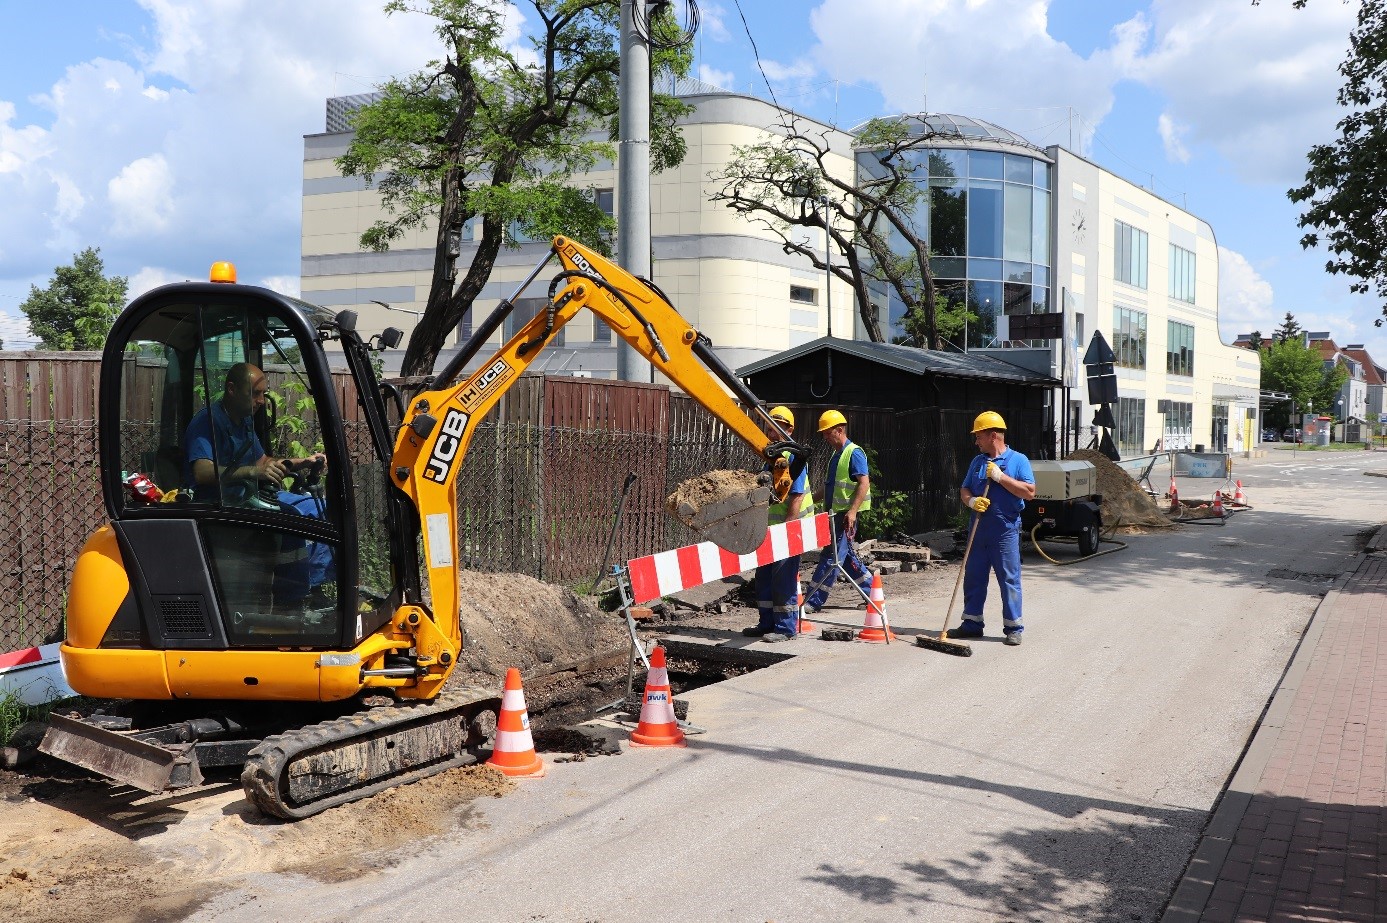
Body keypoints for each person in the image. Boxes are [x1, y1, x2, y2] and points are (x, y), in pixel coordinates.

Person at [183, 362, 320, 504]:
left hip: (244, 502)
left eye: (263, 394)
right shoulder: (207, 421)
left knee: (312, 506)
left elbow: (263, 462)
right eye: (255, 393)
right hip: (216, 509)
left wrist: (304, 462)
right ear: (231, 389)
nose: (261, 401)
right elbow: (202, 472)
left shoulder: (245, 421)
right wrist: (253, 471)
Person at [956, 411, 1035, 646]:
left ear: (993, 436)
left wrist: (1001, 477)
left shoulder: (1018, 461)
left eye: (978, 436)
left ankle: (1013, 627)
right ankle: (972, 623)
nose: (976, 441)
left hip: (1005, 531)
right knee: (974, 578)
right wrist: (971, 501)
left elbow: (1030, 493)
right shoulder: (977, 462)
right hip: (978, 530)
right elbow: (965, 489)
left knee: (1009, 579)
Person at [744, 407, 814, 643]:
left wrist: (787, 529)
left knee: (783, 578)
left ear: (789, 430)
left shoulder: (793, 457)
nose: (771, 430)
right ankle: (767, 623)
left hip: (788, 529)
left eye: (778, 426)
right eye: (770, 424)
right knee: (763, 577)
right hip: (770, 530)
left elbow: (796, 495)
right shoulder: (772, 457)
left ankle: (785, 628)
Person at [803, 409, 873, 613]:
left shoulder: (854, 453)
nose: (824, 437)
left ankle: (813, 600)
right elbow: (829, 487)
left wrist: (852, 512)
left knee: (831, 558)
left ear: (840, 430)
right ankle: (872, 593)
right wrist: (809, 501)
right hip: (836, 515)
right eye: (823, 433)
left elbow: (864, 483)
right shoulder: (836, 456)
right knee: (847, 558)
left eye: (827, 432)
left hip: (845, 517)